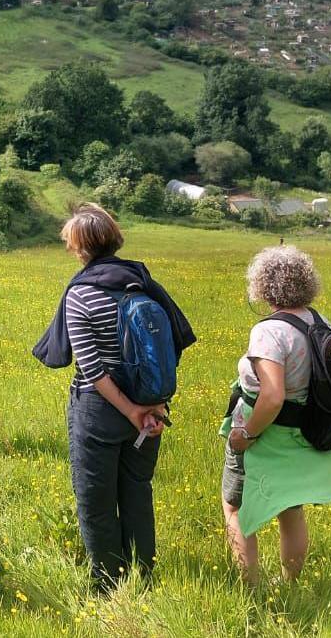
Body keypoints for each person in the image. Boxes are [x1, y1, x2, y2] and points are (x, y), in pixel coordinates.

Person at [50, 202, 195, 592]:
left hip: (100, 411)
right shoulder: (144, 282)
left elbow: (92, 368)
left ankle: (108, 586)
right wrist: (152, 406)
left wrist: (130, 411)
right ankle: (143, 578)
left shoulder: (81, 294)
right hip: (151, 405)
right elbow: (173, 345)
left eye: (70, 243)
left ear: (81, 248)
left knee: (96, 501)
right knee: (137, 491)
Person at [221, 245, 331, 585]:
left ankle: (251, 585)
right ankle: (289, 583)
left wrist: (246, 436)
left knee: (236, 507)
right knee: (291, 509)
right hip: (304, 431)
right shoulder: (319, 321)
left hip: (266, 433)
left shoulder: (270, 331)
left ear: (262, 285)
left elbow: (272, 395)